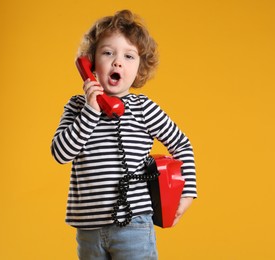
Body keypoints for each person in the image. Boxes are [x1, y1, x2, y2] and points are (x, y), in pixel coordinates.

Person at [51, 9, 197, 260]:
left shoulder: (144, 109)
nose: (118, 61)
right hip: (88, 229)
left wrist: (188, 192)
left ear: (140, 68)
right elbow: (60, 153)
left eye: (129, 56)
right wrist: (91, 110)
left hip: (133, 225)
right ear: (90, 63)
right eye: (108, 53)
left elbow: (182, 144)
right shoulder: (77, 107)